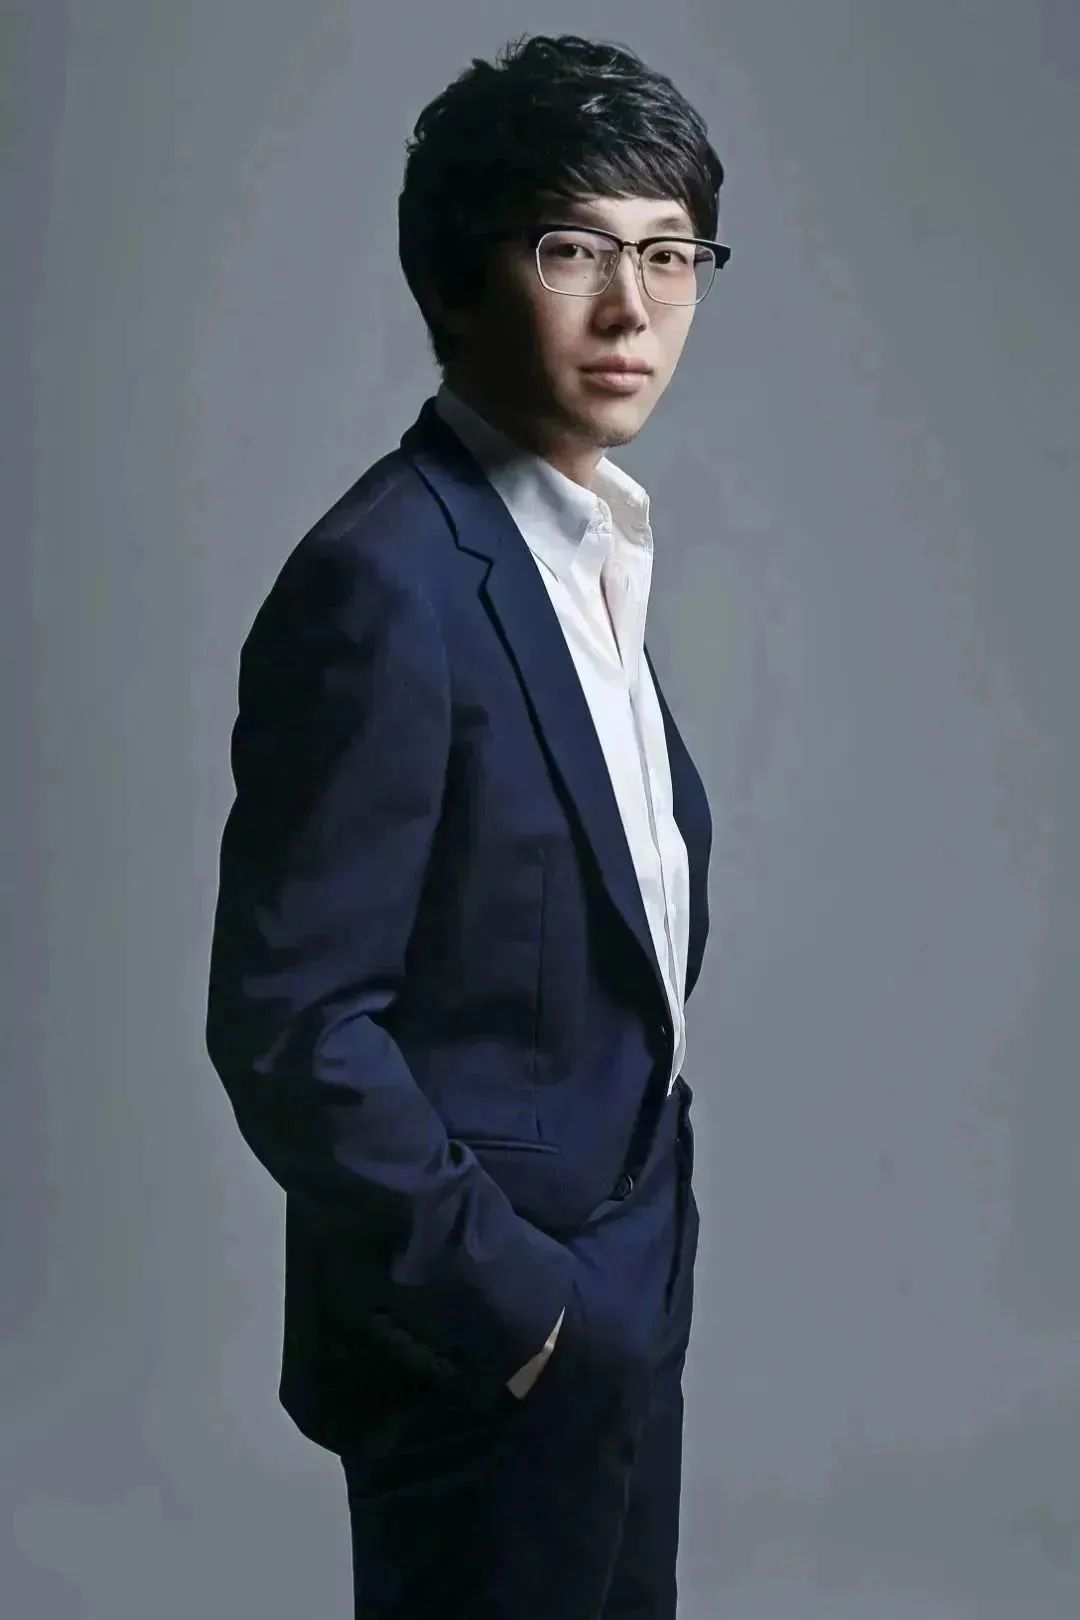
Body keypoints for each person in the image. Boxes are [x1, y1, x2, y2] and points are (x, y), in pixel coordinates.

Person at [205, 29, 728, 1619]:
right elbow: (292, 1024)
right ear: (453, 281)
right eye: (573, 250)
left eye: (669, 254)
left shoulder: (590, 551)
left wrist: (622, 1292)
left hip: (623, 1288)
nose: (632, 308)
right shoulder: (384, 581)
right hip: (485, 1337)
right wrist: (521, 1314)